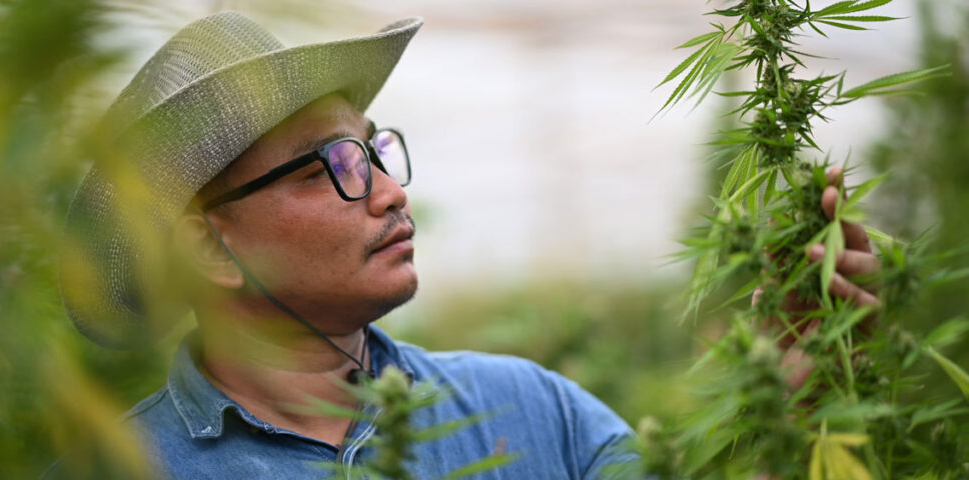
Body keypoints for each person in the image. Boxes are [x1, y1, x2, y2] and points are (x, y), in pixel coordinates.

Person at [52, 10, 880, 480]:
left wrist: (795, 386)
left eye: (375, 149)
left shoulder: (533, 414)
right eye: (333, 165)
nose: (389, 188)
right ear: (208, 247)